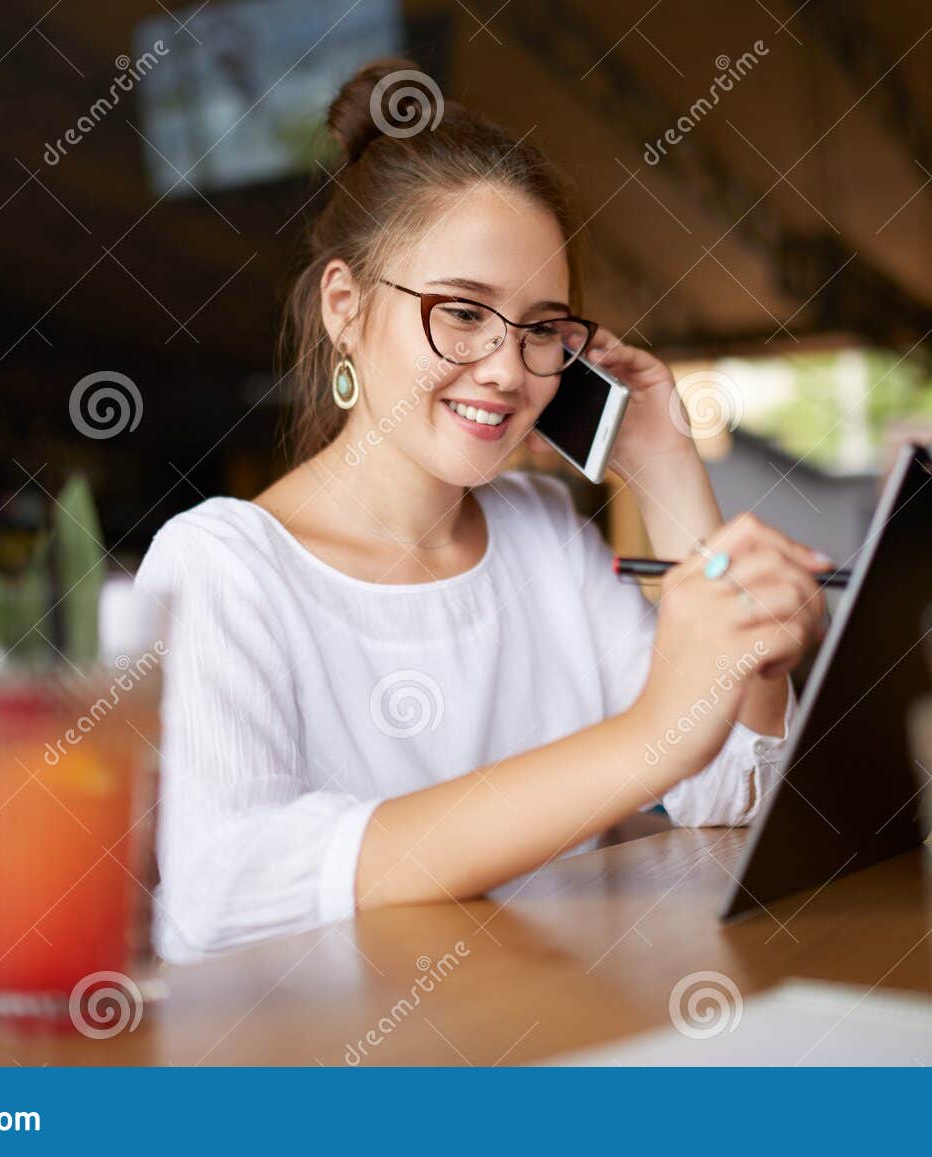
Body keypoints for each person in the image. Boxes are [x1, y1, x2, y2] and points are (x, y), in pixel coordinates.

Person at [137, 58, 830, 962]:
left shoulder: (545, 534)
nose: (508, 368)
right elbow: (230, 889)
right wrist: (646, 738)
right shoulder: (221, 565)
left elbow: (734, 796)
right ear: (345, 308)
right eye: (462, 313)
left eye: (543, 327)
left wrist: (664, 466)